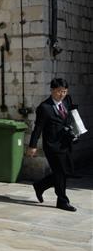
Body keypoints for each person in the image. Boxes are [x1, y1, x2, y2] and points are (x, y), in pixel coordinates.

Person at [28, 78, 78, 212]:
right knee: (61, 173)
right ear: (52, 90)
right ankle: (62, 201)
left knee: (65, 171)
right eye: (59, 92)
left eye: (64, 91)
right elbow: (37, 128)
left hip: (65, 143)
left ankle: (40, 186)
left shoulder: (67, 100)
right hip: (52, 146)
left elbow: (71, 115)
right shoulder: (44, 108)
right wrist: (32, 146)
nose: (62, 94)